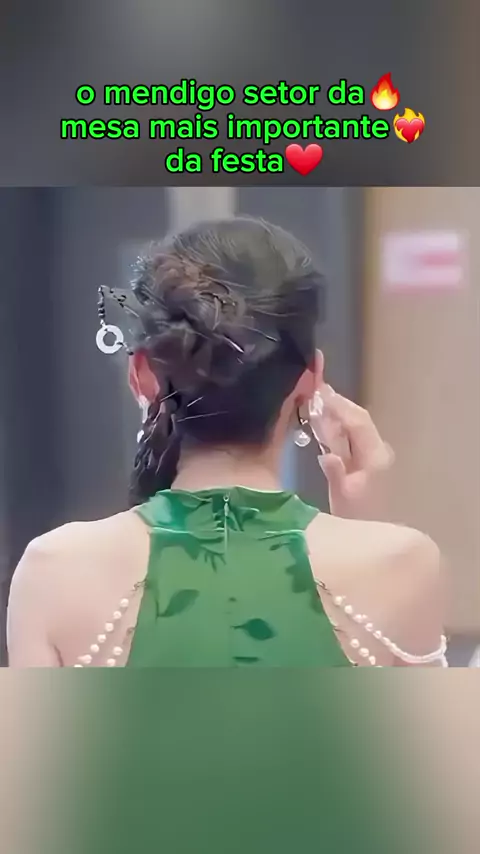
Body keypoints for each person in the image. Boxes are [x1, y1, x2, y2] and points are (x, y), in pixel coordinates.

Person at [6, 216, 447, 667]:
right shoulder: (403, 565)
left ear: (142, 375)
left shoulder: (53, 572)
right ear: (310, 380)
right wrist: (366, 528)